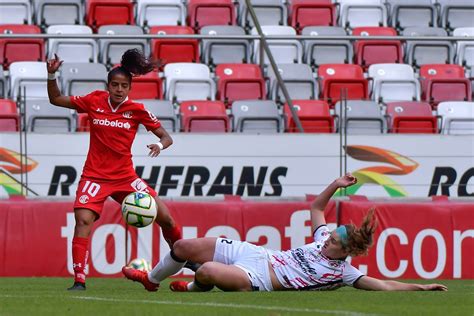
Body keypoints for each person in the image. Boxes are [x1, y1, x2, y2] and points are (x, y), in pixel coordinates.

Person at [122, 174, 448, 292]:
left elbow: (385, 286)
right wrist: (335, 185)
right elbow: (316, 209)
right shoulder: (324, 239)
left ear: (344, 250)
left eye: (334, 240)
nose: (327, 239)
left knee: (206, 271)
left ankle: (195, 286)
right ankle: (150, 281)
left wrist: (421, 287)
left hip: (259, 279)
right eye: (331, 235)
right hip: (258, 254)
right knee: (184, 245)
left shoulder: (344, 273)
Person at [47, 49, 187, 291]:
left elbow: (167, 137)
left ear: (129, 88)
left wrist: (159, 145)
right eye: (115, 85)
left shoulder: (137, 109)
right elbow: (56, 99)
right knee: (82, 221)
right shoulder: (94, 101)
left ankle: (188, 258)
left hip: (126, 178)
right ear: (108, 85)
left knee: (167, 218)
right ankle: (79, 279)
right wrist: (51, 75)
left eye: (124, 86)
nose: (119, 89)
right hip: (95, 176)